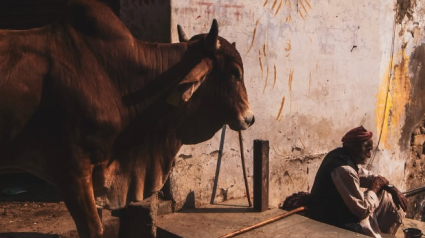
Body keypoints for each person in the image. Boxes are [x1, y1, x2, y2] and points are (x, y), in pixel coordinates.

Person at [307, 126, 407, 238]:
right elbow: (362, 210)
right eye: (367, 150)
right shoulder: (344, 168)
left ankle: (383, 231)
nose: (369, 155)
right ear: (355, 148)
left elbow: (368, 176)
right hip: (332, 217)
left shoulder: (344, 157)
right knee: (381, 200)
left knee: (385, 194)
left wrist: (391, 187)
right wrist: (375, 187)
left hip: (340, 209)